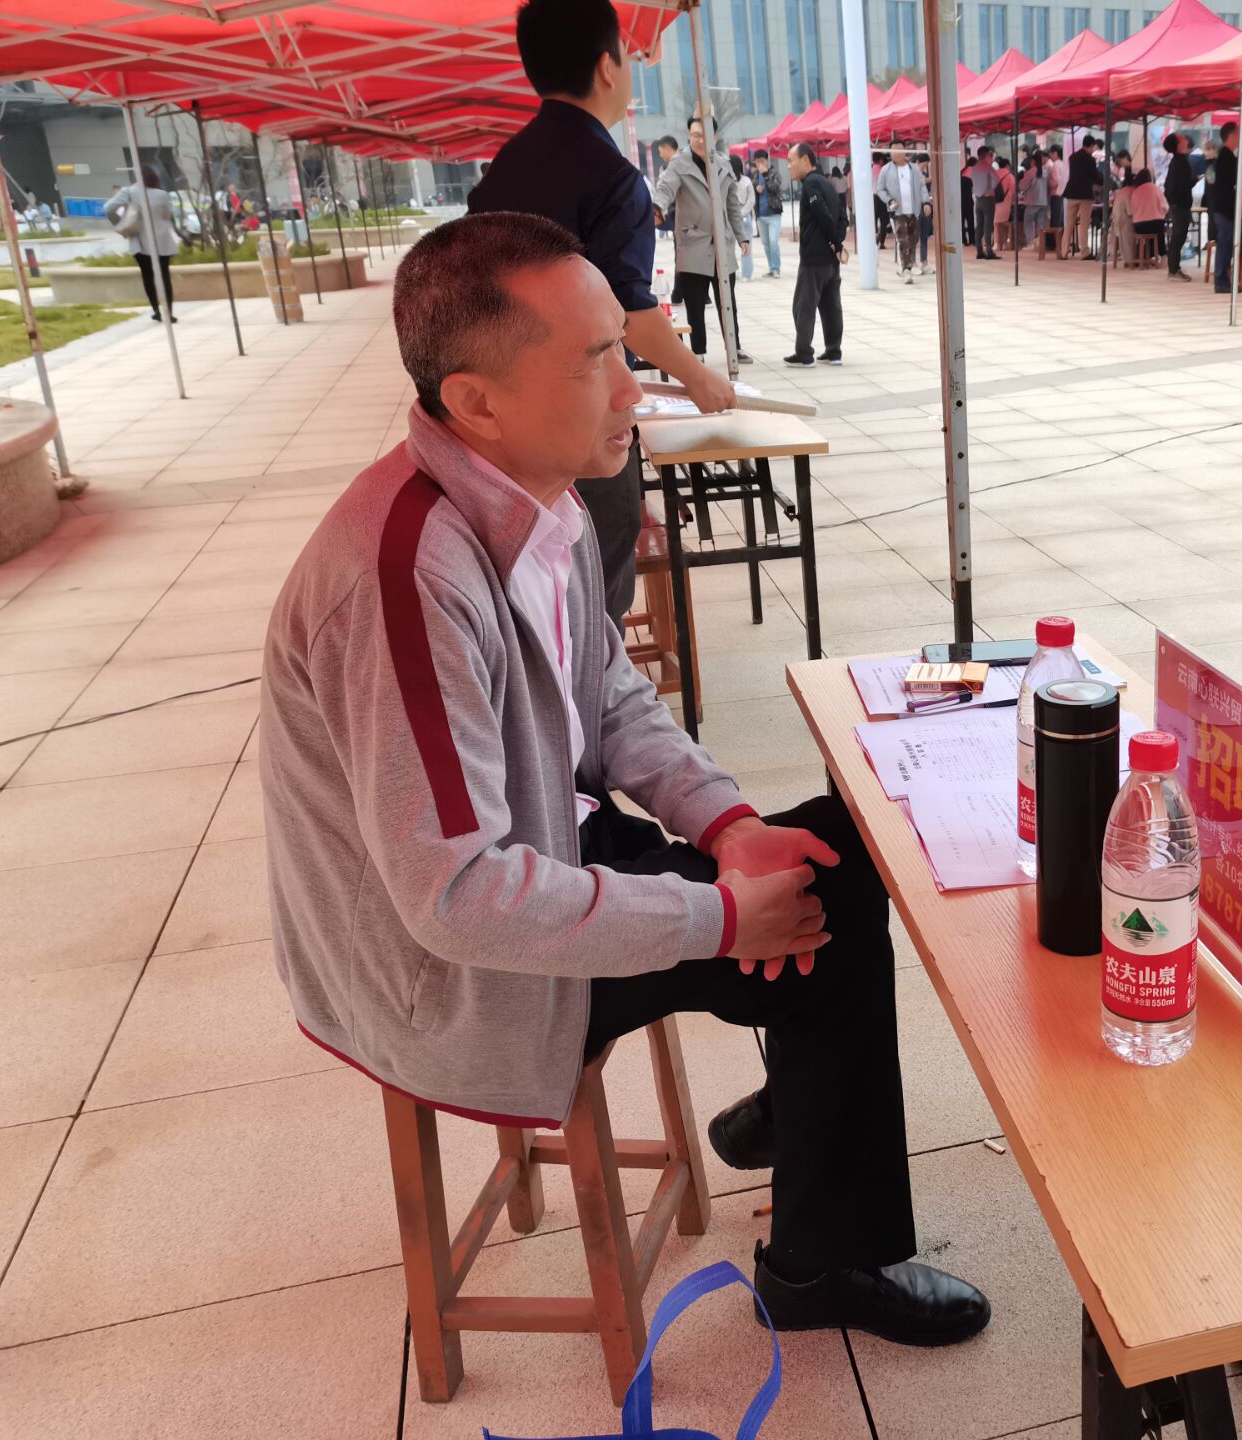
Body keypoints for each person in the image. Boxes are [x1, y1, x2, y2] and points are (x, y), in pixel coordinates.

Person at [264, 211, 991, 1349]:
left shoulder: (527, 496)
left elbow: (608, 698)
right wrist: (718, 918)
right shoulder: (407, 577)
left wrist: (730, 826)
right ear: (477, 401)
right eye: (596, 360)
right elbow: (455, 897)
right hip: (450, 967)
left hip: (544, 845)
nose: (632, 388)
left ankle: (802, 1101)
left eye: (626, 347)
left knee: (830, 855)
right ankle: (820, 1259)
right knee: (825, 921)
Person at [465, 0, 732, 623]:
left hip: (500, 410)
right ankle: (587, 681)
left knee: (524, 587)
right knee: (596, 577)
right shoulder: (613, 179)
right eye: (627, 58)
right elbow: (628, 313)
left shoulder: (501, 172)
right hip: (580, 412)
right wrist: (699, 377)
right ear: (608, 67)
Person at [653, 117, 752, 364]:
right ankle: (698, 353)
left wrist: (742, 237)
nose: (698, 140)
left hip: (722, 247)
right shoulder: (678, 164)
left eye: (703, 135)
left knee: (728, 302)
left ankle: (734, 347)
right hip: (693, 244)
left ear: (714, 137)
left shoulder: (724, 164)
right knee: (695, 305)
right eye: (694, 135)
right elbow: (665, 190)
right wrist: (657, 207)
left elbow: (732, 206)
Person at [785, 143, 846, 367]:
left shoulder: (810, 184)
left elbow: (822, 215)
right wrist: (837, 244)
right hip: (830, 260)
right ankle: (833, 351)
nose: (788, 166)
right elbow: (842, 215)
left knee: (803, 306)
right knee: (831, 307)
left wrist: (835, 242)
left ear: (805, 160)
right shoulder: (827, 183)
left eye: (790, 160)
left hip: (814, 259)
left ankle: (804, 353)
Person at [105, 164, 180, 323]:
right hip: (162, 241)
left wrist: (121, 221)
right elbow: (167, 215)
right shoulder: (162, 194)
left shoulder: (129, 191)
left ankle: (156, 310)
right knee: (165, 277)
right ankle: (169, 312)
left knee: (147, 276)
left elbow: (108, 207)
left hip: (140, 241)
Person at [875, 141, 927, 283]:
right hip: (897, 212)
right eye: (893, 151)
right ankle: (905, 269)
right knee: (903, 240)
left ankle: (907, 265)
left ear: (905, 151)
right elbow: (880, 189)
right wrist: (889, 200)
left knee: (913, 239)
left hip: (914, 211)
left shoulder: (914, 169)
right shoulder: (886, 170)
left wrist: (926, 202)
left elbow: (922, 186)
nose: (896, 153)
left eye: (899, 150)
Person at [1207, 121, 1240, 293]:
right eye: (1238, 133)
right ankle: (1221, 281)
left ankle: (1224, 279)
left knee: (1226, 245)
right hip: (1224, 208)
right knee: (1225, 246)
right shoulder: (1226, 157)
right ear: (1232, 135)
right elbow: (1228, 184)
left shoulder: (1226, 155)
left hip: (1223, 207)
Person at [1162, 131, 1195, 282]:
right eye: (1181, 138)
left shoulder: (1177, 160)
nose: (1184, 138)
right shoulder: (1181, 161)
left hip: (1177, 203)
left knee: (1178, 236)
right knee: (1178, 237)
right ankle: (1173, 270)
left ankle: (1174, 268)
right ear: (1178, 144)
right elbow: (1183, 185)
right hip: (1180, 204)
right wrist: (1195, 179)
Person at [1064, 133, 1100, 258]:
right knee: (1084, 224)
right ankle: (1084, 252)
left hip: (1071, 193)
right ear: (1091, 145)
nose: (1093, 150)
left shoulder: (1072, 157)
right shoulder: (1090, 160)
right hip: (1085, 195)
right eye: (1093, 147)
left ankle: (1064, 251)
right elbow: (1095, 177)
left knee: (1069, 224)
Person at [750, 150, 784, 279]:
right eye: (757, 162)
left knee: (773, 241)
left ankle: (776, 268)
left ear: (767, 161)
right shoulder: (755, 176)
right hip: (760, 215)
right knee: (766, 243)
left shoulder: (775, 174)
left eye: (762, 161)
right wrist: (756, 189)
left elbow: (775, 188)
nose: (760, 164)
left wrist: (765, 175)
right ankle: (771, 267)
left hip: (774, 214)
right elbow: (752, 192)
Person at [968, 146, 998, 258]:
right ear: (986, 155)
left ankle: (979, 251)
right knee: (988, 225)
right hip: (988, 199)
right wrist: (990, 190)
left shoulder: (974, 168)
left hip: (978, 199)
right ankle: (989, 251)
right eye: (990, 155)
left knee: (979, 225)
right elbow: (996, 180)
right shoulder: (988, 167)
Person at [1046, 142, 1067, 229]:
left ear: (1055, 153)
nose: (1050, 155)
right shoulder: (1063, 163)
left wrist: (1049, 182)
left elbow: (1055, 180)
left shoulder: (1055, 164)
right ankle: (1061, 236)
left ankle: (1054, 237)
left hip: (1056, 194)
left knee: (1055, 219)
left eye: (1051, 153)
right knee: (1061, 219)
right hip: (1063, 193)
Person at [960, 149, 975, 248]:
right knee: (970, 221)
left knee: (961, 221)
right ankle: (972, 240)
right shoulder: (973, 171)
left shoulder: (961, 171)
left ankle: (963, 240)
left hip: (960, 200)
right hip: (968, 199)